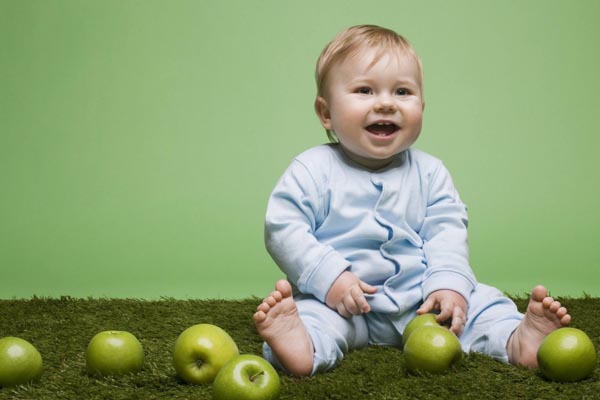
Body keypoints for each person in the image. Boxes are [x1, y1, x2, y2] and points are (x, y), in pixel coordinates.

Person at [253, 24, 571, 377]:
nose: (386, 103)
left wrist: (448, 285)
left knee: (481, 304)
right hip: (342, 305)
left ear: (422, 105)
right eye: (364, 90)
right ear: (325, 112)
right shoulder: (312, 170)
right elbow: (284, 229)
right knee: (315, 319)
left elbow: (446, 231)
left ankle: (517, 338)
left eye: (402, 91)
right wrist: (330, 279)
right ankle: (300, 346)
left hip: (422, 302)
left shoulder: (430, 172)